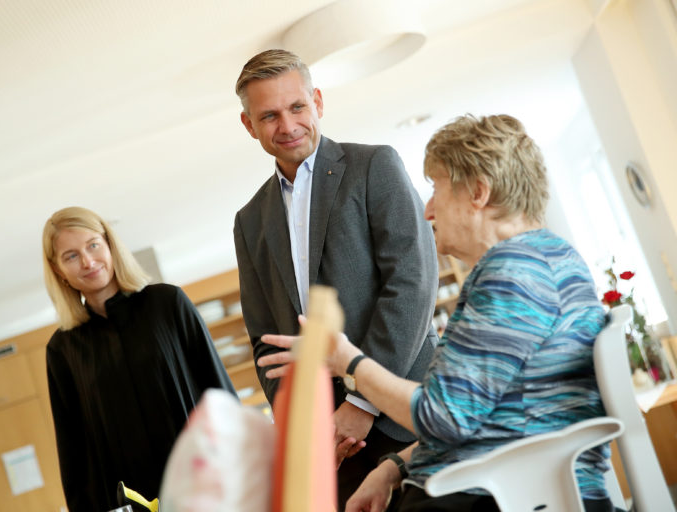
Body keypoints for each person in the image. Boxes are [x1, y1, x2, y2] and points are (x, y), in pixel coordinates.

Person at [261, 114, 614, 511]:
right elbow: (475, 415)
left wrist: (349, 361)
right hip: (487, 481)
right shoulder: (544, 259)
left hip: (496, 493)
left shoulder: (512, 274)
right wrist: (391, 468)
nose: (428, 210)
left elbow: (440, 416)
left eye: (437, 189)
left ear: (478, 192)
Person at [233, 49, 439, 508]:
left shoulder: (374, 167)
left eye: (297, 107)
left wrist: (361, 404)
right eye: (269, 116)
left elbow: (412, 285)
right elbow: (267, 343)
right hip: (332, 450)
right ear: (249, 125)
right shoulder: (249, 222)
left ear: (318, 102)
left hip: (407, 415)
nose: (287, 126)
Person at [42, 206, 235, 511]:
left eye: (93, 245)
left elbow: (219, 392)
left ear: (110, 245)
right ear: (58, 271)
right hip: (128, 501)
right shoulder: (62, 350)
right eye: (71, 256)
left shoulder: (168, 304)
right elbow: (73, 450)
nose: (88, 261)